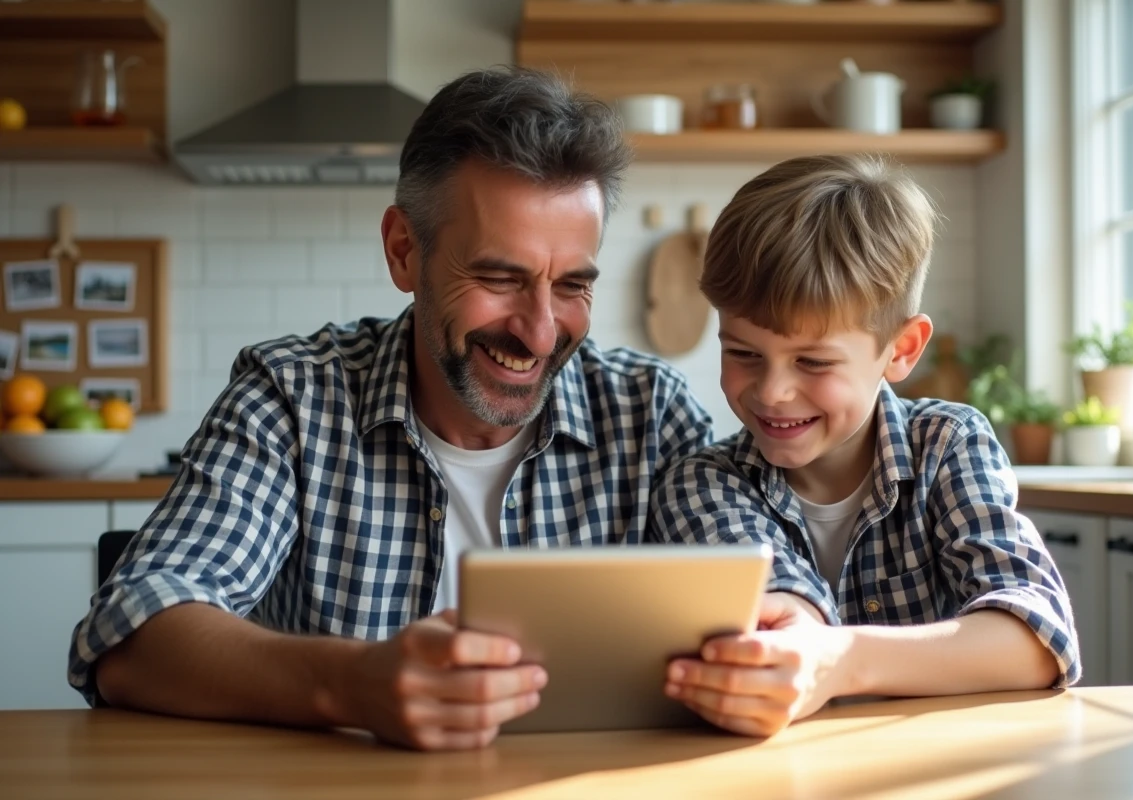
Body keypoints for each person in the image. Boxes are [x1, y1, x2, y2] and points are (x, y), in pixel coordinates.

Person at [69, 67, 713, 751]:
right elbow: (130, 637)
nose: (541, 332)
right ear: (405, 251)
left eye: (573, 285)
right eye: (500, 278)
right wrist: (351, 685)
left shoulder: (651, 414)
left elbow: (774, 602)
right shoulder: (292, 396)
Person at [650, 154, 1080, 738]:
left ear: (901, 350)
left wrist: (840, 659)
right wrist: (813, 646)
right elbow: (782, 615)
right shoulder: (702, 484)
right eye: (743, 353)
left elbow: (1038, 639)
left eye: (813, 361)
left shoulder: (949, 445)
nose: (772, 391)